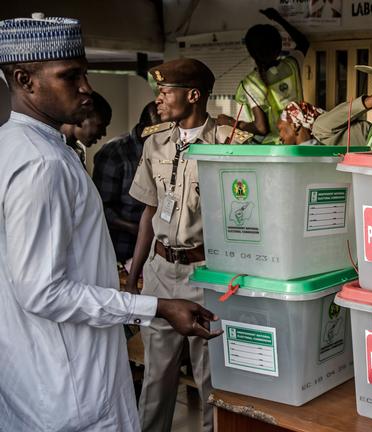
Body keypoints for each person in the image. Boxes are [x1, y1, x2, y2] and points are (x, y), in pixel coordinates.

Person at [0, 16, 222, 432]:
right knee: (157, 381)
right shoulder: (40, 164)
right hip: (72, 391)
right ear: (24, 79)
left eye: (84, 73)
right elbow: (43, 290)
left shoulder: (18, 146)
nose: (87, 87)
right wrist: (154, 305)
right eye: (71, 76)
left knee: (210, 379)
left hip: (36, 381)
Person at [126, 57, 253, 432]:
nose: (160, 100)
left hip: (208, 274)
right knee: (156, 377)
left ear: (193, 95)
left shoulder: (231, 144)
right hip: (161, 270)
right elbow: (149, 213)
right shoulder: (156, 142)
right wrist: (135, 276)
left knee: (212, 379)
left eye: (166, 92)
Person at [217, 7, 308, 143]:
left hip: (271, 148)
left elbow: (261, 128)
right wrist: (279, 19)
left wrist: (231, 122)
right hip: (299, 141)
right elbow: (303, 42)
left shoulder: (251, 82)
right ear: (279, 48)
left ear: (251, 53)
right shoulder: (292, 65)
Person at [92, 101, 161, 266]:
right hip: (121, 251)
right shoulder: (114, 154)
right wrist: (135, 229)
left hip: (157, 254)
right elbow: (100, 208)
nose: (165, 139)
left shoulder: (166, 152)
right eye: (158, 133)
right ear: (144, 127)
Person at [61, 90, 112, 166]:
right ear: (81, 117)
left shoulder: (77, 152)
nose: (104, 133)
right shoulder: (52, 151)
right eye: (100, 125)